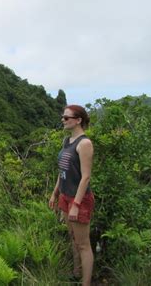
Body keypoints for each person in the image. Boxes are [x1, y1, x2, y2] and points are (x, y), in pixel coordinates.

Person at [49, 105, 94, 286]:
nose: (63, 120)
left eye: (66, 118)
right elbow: (63, 171)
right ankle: (76, 272)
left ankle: (86, 282)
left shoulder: (84, 143)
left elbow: (86, 177)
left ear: (78, 120)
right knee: (73, 237)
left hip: (79, 200)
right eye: (63, 117)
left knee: (83, 244)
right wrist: (54, 193)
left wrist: (76, 204)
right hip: (65, 196)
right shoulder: (67, 141)